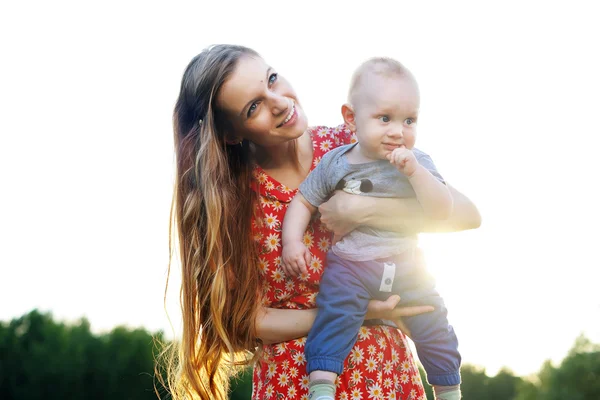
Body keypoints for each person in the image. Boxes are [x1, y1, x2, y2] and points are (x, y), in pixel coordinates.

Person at [164, 44, 481, 400]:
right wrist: (351, 312)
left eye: (272, 79)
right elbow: (240, 324)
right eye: (254, 107)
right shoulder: (232, 201)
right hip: (294, 385)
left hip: (387, 377)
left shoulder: (353, 142)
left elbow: (467, 214)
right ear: (231, 134)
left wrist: (363, 210)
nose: (280, 102)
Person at [282, 57, 462, 400]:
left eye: (409, 120)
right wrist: (292, 242)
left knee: (433, 318)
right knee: (334, 315)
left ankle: (448, 387)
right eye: (385, 118)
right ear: (351, 119)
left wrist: (415, 174)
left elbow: (442, 210)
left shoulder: (418, 161)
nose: (398, 130)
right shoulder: (336, 161)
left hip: (407, 261)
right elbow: (303, 200)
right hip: (351, 264)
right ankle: (322, 386)